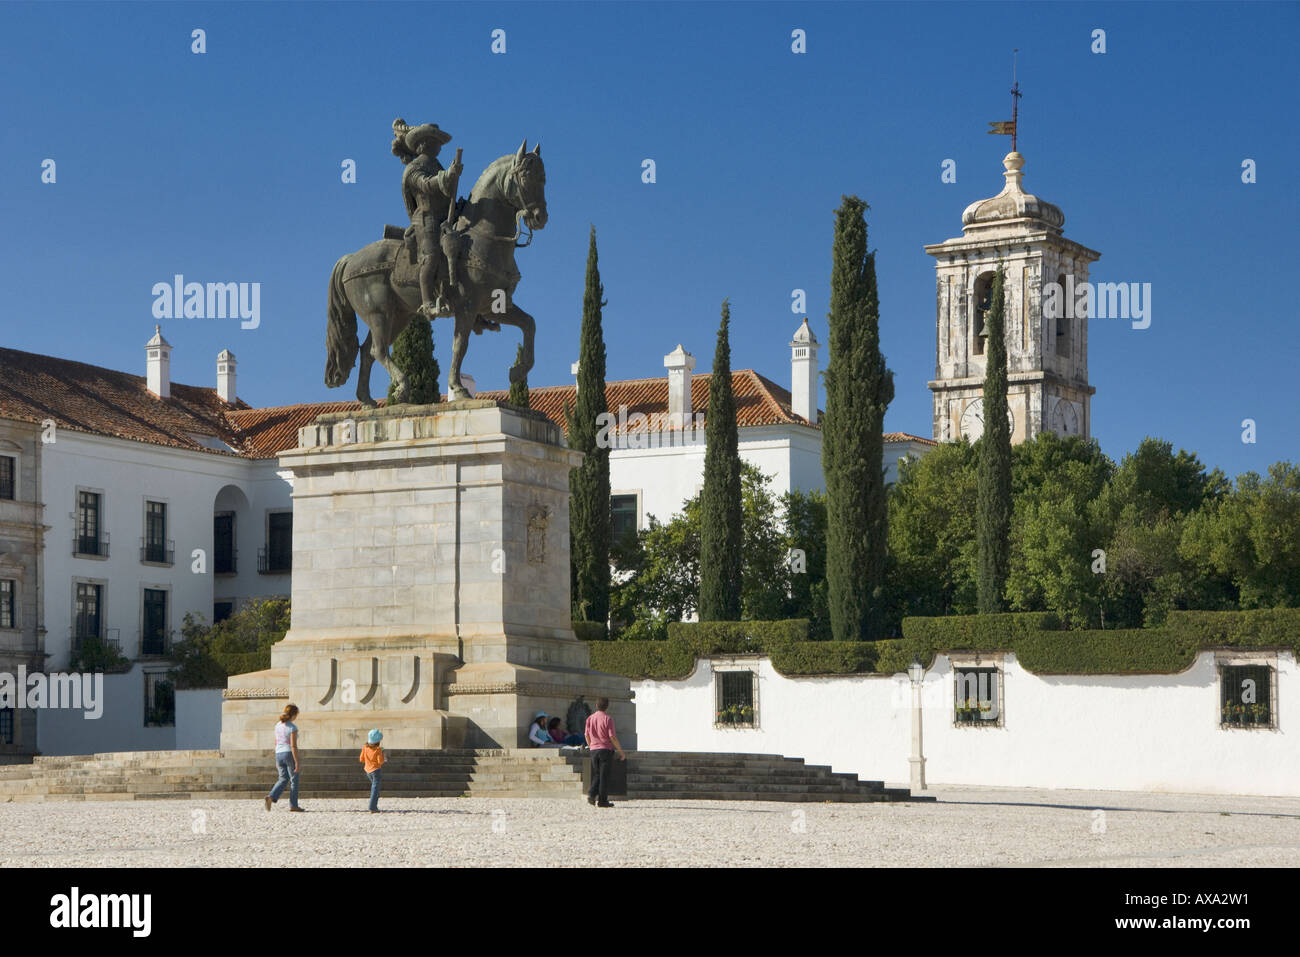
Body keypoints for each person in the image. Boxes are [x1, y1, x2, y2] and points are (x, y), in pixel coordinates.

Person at [392, 118, 463, 318]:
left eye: (439, 143)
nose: (439, 146)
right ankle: (427, 302)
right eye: (435, 142)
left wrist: (452, 177)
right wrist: (447, 176)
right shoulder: (414, 168)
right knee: (430, 258)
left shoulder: (437, 165)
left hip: (445, 217)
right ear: (423, 144)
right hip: (426, 218)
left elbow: (446, 190)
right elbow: (426, 185)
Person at [584, 697, 625, 808]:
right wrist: (621, 752)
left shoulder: (590, 718)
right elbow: (612, 737)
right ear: (607, 706)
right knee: (604, 776)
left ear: (596, 705)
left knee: (597, 774)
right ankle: (601, 799)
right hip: (605, 750)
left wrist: (591, 745)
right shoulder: (608, 719)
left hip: (593, 750)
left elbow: (586, 735)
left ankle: (592, 795)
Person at [264, 703, 304, 812]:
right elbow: (293, 745)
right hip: (288, 753)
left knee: (283, 778)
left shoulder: (277, 725)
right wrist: (297, 762)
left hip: (278, 753)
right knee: (294, 780)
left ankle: (271, 797)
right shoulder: (292, 727)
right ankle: (293, 805)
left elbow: (276, 741)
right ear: (294, 714)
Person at [360, 729, 386, 813]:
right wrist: (382, 754)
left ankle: (374, 805)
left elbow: (361, 759)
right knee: (375, 789)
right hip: (376, 771)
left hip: (367, 770)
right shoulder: (378, 749)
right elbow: (380, 761)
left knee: (375, 788)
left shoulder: (365, 747)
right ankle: (372, 807)